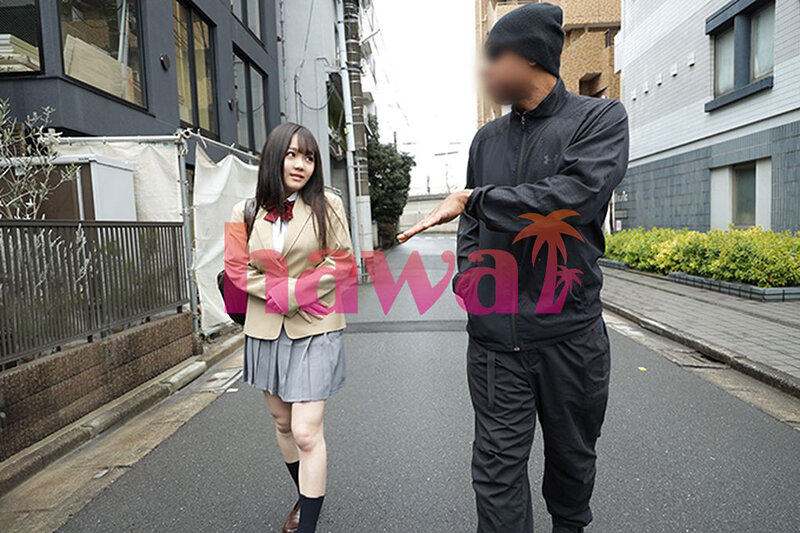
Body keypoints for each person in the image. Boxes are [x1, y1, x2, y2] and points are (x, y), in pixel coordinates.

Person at [398, 4, 629, 533]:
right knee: (495, 469)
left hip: (570, 335)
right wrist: (469, 282)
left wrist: (476, 199)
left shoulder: (598, 120)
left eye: (493, 57)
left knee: (572, 460)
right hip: (495, 344)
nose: (483, 70)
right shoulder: (487, 140)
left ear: (529, 58)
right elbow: (470, 227)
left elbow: (573, 198)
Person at [228, 123, 354, 533]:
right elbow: (236, 269)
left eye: (309, 157)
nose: (301, 164)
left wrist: (296, 292)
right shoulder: (244, 212)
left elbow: (343, 261)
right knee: (282, 423)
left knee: (305, 431)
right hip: (266, 329)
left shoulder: (327, 205)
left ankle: (307, 525)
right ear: (274, 157)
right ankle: (305, 494)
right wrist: (275, 291)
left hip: (316, 325)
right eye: (292, 155)